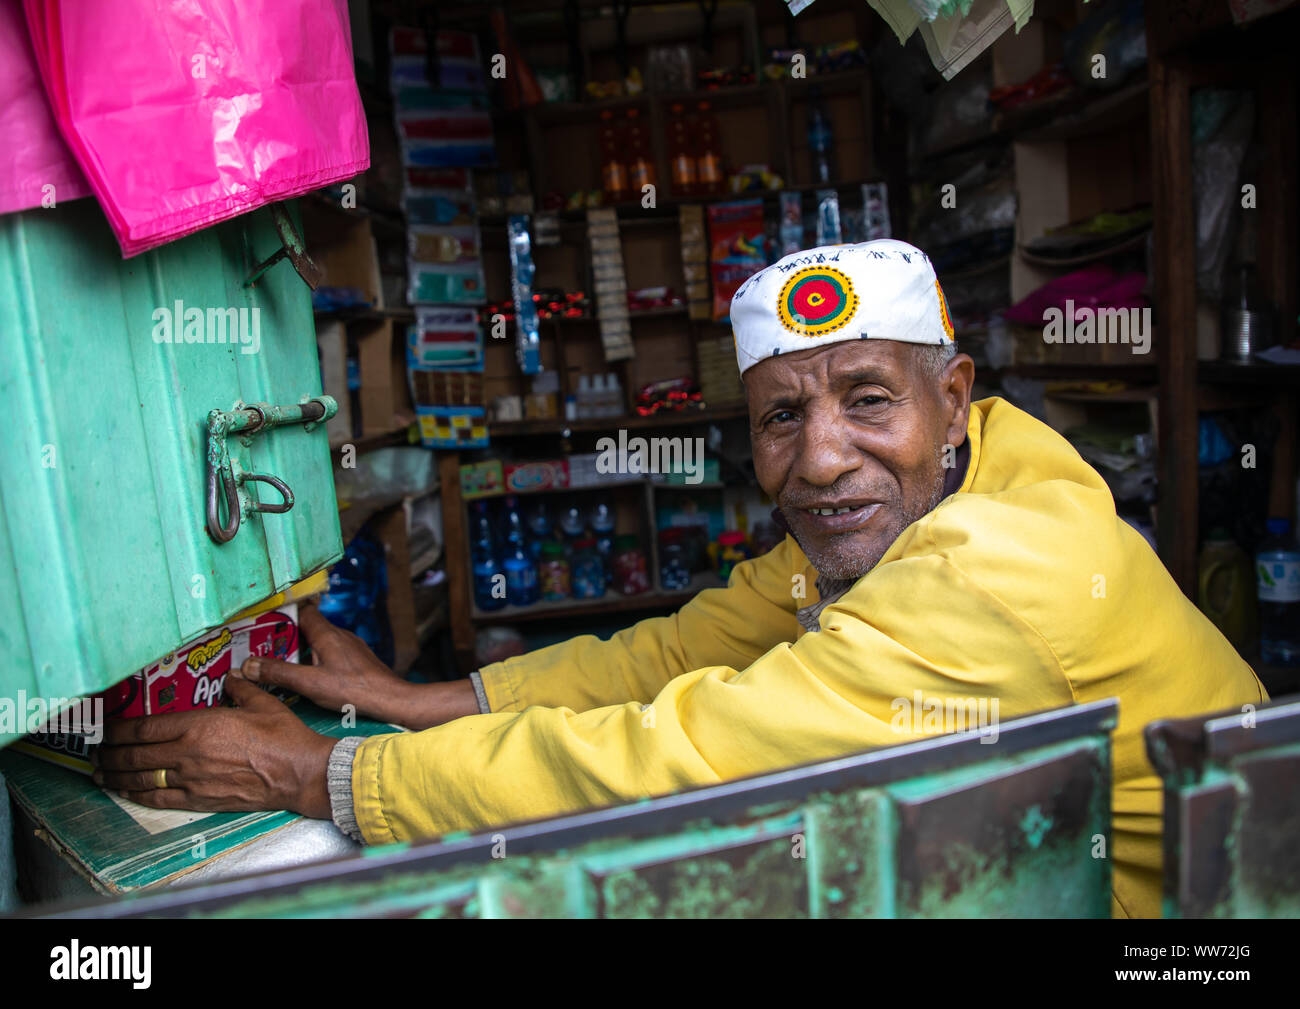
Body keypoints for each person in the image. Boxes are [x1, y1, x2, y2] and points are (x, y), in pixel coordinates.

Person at [94, 239, 1266, 918]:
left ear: (949, 398)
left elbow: (666, 762)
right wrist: (410, 700)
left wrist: (319, 774)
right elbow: (673, 652)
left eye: (868, 399)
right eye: (780, 417)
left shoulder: (984, 575)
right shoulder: (970, 472)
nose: (819, 462)